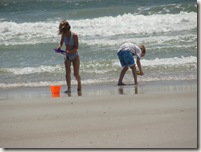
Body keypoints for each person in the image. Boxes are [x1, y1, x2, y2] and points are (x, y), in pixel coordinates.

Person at [57, 20, 81, 93]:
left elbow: (76, 48)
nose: (61, 31)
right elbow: (61, 42)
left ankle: (79, 84)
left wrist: (69, 51)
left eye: (62, 29)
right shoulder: (63, 35)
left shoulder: (74, 36)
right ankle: (69, 88)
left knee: (76, 74)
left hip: (75, 56)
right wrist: (59, 47)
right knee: (67, 73)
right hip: (67, 56)